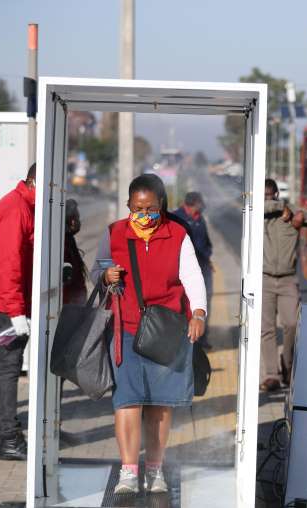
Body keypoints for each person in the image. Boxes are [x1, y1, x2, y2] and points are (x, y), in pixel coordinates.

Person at [91, 174, 207, 494]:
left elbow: (193, 278)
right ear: (128, 205)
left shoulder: (177, 234)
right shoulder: (114, 233)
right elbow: (96, 270)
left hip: (166, 330)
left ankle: (155, 470)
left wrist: (198, 312)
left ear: (162, 206)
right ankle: (128, 472)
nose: (143, 216)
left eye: (150, 209)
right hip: (125, 330)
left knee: (159, 404)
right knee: (127, 402)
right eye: (137, 208)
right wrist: (105, 275)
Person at [0, 164, 36, 461]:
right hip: (4, 305)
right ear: (34, 182)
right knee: (9, 365)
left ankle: (6, 437)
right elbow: (8, 264)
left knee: (10, 365)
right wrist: (16, 312)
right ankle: (7, 438)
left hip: (4, 301)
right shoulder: (17, 209)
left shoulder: (22, 205)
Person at [261, 178, 307, 392]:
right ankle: (271, 375)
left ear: (277, 194)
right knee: (266, 329)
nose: (267, 199)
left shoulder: (291, 211)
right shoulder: (258, 213)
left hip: (288, 279)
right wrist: (281, 207)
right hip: (265, 279)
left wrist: (301, 217)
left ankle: (287, 366)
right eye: (264, 196)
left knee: (290, 324)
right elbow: (261, 207)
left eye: (271, 195)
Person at [172, 192, 213, 349]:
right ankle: (188, 338)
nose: (201, 207)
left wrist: (208, 256)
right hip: (186, 268)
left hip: (203, 265)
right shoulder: (177, 218)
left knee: (204, 301)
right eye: (199, 204)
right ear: (192, 204)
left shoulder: (199, 218)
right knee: (187, 304)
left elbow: (207, 241)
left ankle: (203, 337)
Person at [63, 199, 87, 305]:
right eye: (71, 218)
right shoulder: (63, 242)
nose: (75, 222)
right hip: (69, 302)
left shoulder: (69, 239)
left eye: (76, 217)